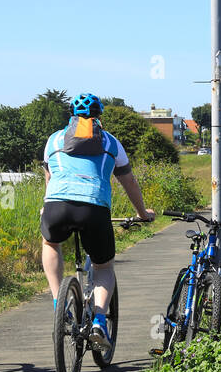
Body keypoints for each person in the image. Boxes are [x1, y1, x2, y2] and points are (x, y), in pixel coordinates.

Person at [41, 92, 155, 356]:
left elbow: (51, 177)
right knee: (104, 266)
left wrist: (47, 205)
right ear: (99, 115)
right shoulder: (111, 143)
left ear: (71, 114)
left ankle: (60, 303)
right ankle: (100, 322)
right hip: (94, 208)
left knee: (51, 242)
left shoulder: (54, 140)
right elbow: (129, 182)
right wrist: (142, 213)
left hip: (56, 205)